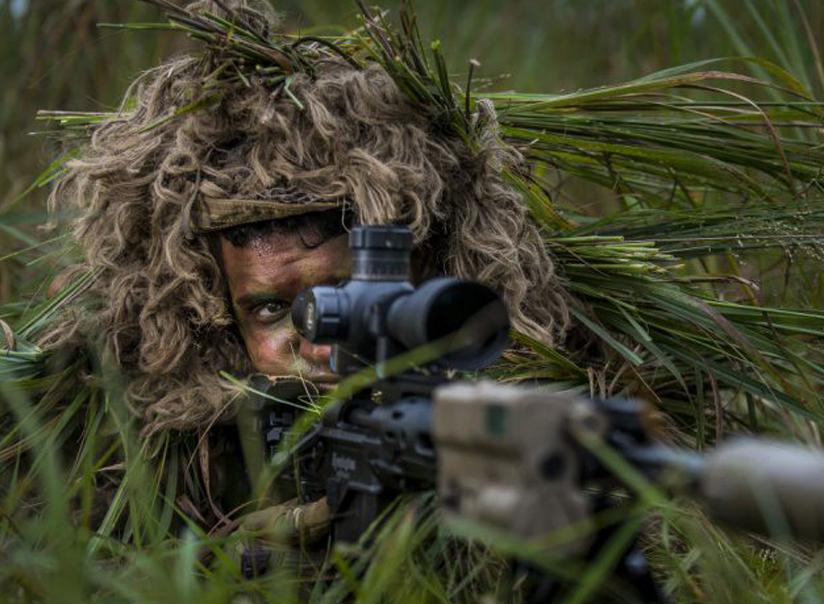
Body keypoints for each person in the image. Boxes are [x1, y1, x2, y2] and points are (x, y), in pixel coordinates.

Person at [38, 0, 571, 550]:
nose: (325, 346)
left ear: (426, 275)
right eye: (272, 309)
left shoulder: (505, 426)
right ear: (214, 322)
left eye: (350, 296)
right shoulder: (167, 457)